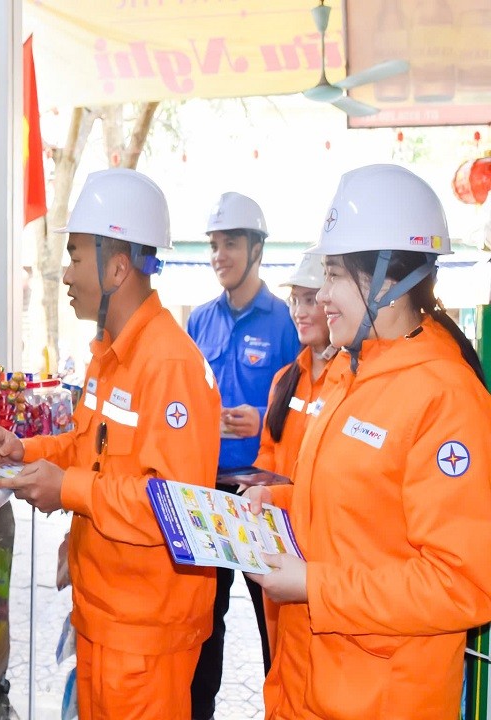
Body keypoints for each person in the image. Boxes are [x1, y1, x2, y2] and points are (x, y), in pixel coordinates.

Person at [247, 164, 491, 720]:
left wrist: (316, 586)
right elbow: (362, 511)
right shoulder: (350, 372)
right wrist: (279, 503)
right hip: (307, 686)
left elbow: (462, 584)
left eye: (334, 275)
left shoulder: (445, 397)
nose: (321, 295)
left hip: (382, 700)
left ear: (387, 282)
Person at [0, 168, 221, 720]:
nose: (65, 274)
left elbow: (173, 505)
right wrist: (27, 451)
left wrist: (67, 489)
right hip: (104, 615)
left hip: (145, 633)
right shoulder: (111, 354)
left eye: (75, 257)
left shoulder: (169, 365)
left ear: (116, 268)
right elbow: (89, 448)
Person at [186, 192, 299, 719]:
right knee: (203, 623)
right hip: (206, 488)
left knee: (272, 619)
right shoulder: (199, 322)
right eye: (214, 245)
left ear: (256, 249)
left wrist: (262, 415)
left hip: (261, 498)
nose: (219, 255)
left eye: (230, 243)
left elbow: (305, 402)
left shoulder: (286, 322)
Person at [253, 253, 336, 656]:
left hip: (322, 559)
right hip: (277, 543)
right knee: (276, 657)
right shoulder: (284, 381)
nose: (299, 312)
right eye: (294, 301)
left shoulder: (351, 384)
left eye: (309, 300)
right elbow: (267, 456)